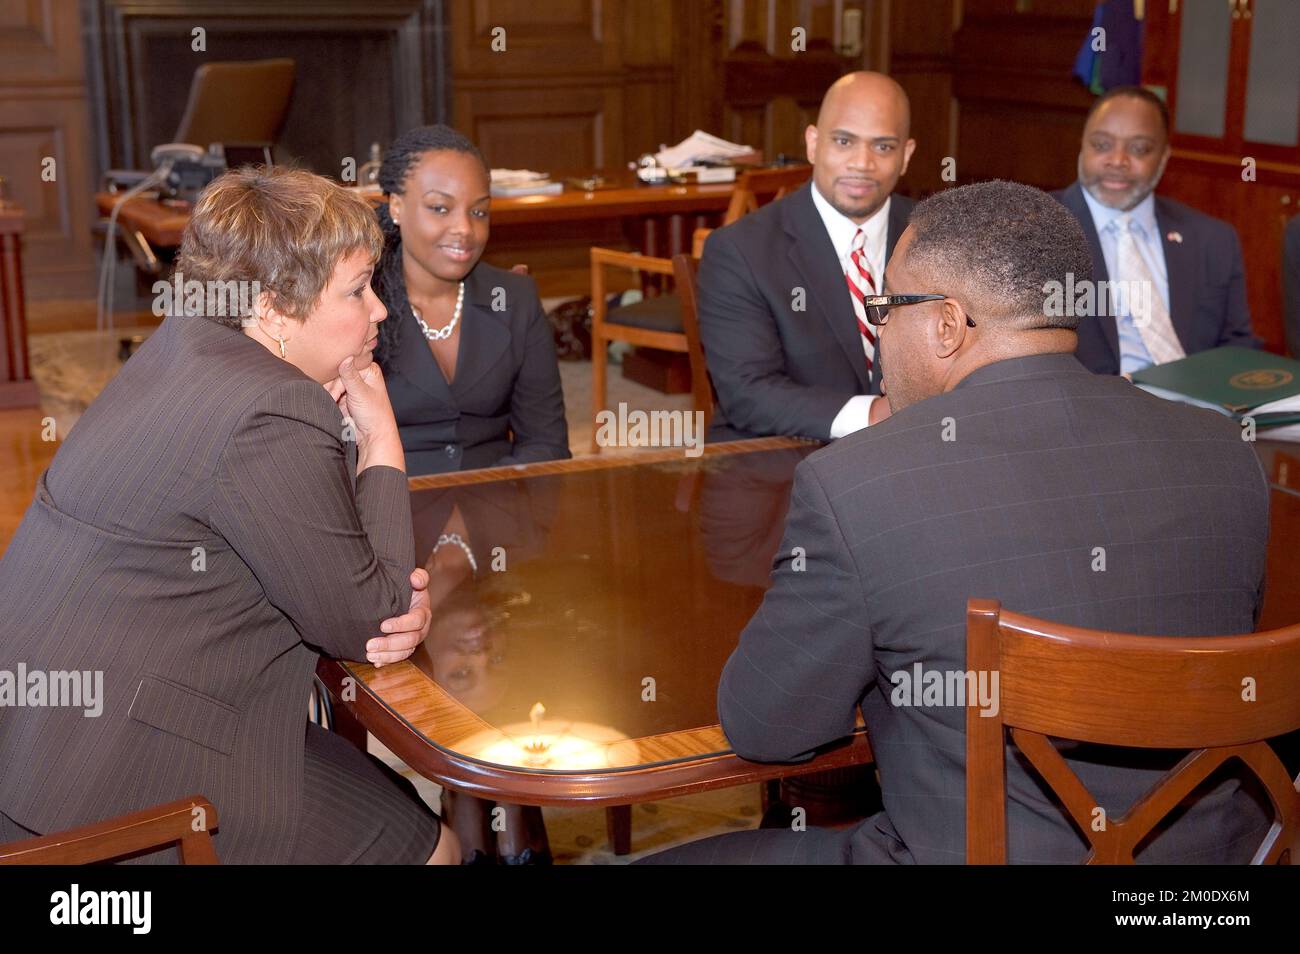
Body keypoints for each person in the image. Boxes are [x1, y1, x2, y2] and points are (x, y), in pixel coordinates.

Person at [641, 180, 1273, 864]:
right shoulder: (1224, 452)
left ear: (947, 324)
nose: (876, 332)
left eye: (883, 308)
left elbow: (766, 727)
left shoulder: (857, 484)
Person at [0, 167, 459, 865]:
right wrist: (379, 436)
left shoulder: (186, 343)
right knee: (435, 847)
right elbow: (373, 623)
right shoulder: (272, 409)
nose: (381, 311)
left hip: (45, 742)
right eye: (358, 290)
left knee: (379, 793)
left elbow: (307, 547)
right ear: (273, 308)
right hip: (125, 785)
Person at [697, 71, 915, 441]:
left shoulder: (938, 237)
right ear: (813, 143)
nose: (862, 163)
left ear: (906, 155)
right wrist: (873, 415)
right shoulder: (740, 251)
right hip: (783, 455)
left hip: (914, 452)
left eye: (882, 147)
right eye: (844, 141)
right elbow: (748, 393)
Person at [373, 125, 570, 475]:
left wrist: (486, 506)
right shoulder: (362, 303)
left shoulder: (513, 299)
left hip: (496, 503)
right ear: (397, 207)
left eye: (478, 212)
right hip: (391, 509)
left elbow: (546, 443)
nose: (465, 229)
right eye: (440, 208)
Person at [1054, 85, 1261, 376]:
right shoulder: (1035, 228)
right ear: (1082, 147)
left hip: (1192, 408)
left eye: (1138, 149)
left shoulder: (1213, 239)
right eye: (1101, 145)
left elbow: (1236, 348)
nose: (1118, 160)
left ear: (1163, 158)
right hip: (1085, 410)